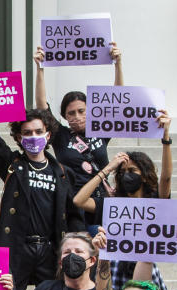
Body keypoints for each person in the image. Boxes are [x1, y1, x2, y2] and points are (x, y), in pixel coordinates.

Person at [0, 104, 84, 290]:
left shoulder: (63, 172)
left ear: (48, 135)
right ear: (19, 138)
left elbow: (74, 214)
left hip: (50, 248)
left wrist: (77, 245)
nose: (33, 136)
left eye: (39, 131)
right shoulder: (11, 164)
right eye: (27, 133)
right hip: (17, 247)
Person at [72, 114, 173, 290]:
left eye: (132, 170)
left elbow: (166, 177)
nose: (127, 174)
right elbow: (79, 200)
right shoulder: (112, 205)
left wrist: (166, 138)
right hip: (115, 268)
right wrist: (108, 168)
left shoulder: (155, 201)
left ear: (144, 174)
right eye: (124, 171)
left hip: (144, 265)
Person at [33, 41, 124, 194]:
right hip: (72, 201)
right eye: (71, 113)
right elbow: (42, 106)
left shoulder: (100, 130)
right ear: (64, 116)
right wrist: (40, 68)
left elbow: (117, 99)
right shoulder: (61, 135)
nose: (77, 117)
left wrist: (118, 64)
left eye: (82, 111)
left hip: (99, 199)